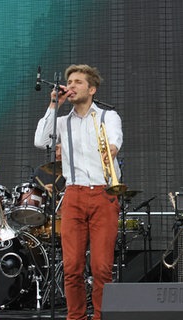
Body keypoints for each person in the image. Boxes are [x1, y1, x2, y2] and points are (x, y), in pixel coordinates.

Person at [34, 64, 122, 320]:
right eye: (68, 81)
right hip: (73, 195)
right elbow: (41, 141)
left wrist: (111, 150)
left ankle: (101, 316)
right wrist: (54, 104)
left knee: (101, 267)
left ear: (91, 89)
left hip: (103, 193)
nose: (70, 86)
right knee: (72, 266)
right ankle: (76, 317)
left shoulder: (108, 116)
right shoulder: (61, 123)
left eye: (77, 82)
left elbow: (115, 141)